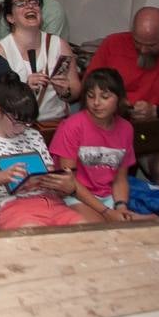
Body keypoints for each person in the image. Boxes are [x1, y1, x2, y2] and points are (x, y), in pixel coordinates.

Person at [0, 73, 87, 229]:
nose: (22, 129)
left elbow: (49, 173)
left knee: (82, 228)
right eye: (17, 122)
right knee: (33, 235)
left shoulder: (33, 135)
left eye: (28, 123)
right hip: (13, 208)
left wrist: (60, 181)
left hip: (51, 203)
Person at [50, 68, 143, 223]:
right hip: (74, 196)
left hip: (109, 197)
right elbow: (69, 180)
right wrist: (106, 212)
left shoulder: (126, 128)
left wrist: (121, 207)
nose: (96, 103)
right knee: (99, 228)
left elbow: (120, 179)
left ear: (119, 99)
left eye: (105, 97)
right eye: (90, 96)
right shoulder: (72, 126)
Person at [0, 0, 80, 122]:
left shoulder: (59, 45)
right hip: (18, 125)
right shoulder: (1, 50)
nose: (30, 7)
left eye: (34, 3)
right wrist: (23, 89)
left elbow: (76, 91)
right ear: (10, 18)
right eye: (20, 3)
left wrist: (65, 91)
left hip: (54, 125)